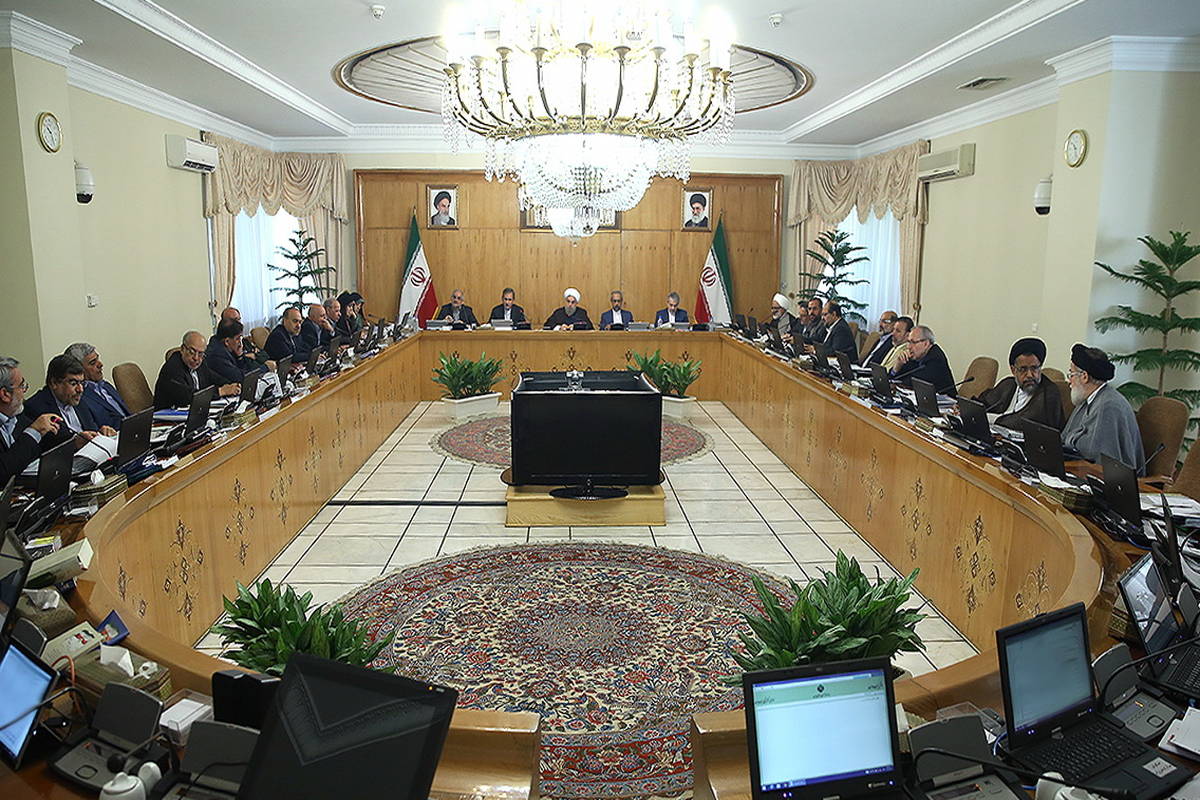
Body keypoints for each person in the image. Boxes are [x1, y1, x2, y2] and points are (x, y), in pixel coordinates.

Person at [1062, 344, 1145, 474]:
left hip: (1108, 479)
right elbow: (1065, 439)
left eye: (1071, 375)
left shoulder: (1109, 406)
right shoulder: (1087, 399)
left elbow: (1097, 459)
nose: (1069, 381)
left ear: (1084, 376)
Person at [976, 338, 1064, 431]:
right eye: (1023, 369)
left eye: (1034, 368)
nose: (1029, 375)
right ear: (1013, 370)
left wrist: (990, 419)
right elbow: (982, 403)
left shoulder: (1049, 393)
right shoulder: (1008, 384)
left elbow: (1024, 422)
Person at [24, 355, 116, 443]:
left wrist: (101, 434)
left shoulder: (78, 399)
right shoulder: (35, 408)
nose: (80, 389)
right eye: (73, 383)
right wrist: (75, 443)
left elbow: (91, 430)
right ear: (54, 383)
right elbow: (49, 447)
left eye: (82, 383)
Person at [0, 357, 63, 483]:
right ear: (5, 394)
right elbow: (3, 471)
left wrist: (76, 441)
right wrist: (34, 431)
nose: (24, 391)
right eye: (21, 386)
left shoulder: (18, 416)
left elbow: (41, 449)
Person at [155, 331, 239, 409]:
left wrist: (233, 386)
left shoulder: (200, 364)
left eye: (200, 354)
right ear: (182, 349)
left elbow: (216, 379)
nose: (196, 358)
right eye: (192, 352)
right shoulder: (172, 368)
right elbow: (188, 397)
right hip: (167, 417)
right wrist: (220, 391)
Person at [65, 342, 130, 431]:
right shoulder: (79, 396)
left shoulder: (105, 385)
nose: (100, 364)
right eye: (93, 363)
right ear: (78, 369)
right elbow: (93, 430)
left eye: (98, 359)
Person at [891, 324, 956, 396]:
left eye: (913, 342)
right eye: (908, 342)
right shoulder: (915, 355)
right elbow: (894, 379)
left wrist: (894, 383)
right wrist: (897, 366)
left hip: (944, 402)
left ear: (926, 343)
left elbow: (911, 382)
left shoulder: (936, 359)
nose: (909, 347)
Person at [206, 319, 261, 384]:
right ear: (227, 341)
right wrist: (265, 368)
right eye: (237, 338)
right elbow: (240, 377)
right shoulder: (217, 356)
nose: (240, 343)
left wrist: (240, 356)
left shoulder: (228, 347)